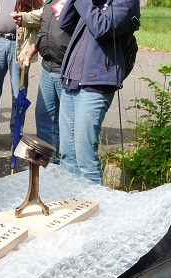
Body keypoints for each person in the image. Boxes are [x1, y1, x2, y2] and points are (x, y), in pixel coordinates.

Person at [57, 0, 140, 184]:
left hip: (96, 86)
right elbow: (65, 23)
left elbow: (102, 27)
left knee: (85, 158)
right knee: (68, 156)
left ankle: (94, 201)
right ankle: (70, 199)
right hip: (72, 81)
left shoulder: (126, 3)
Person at [0, 0, 41, 145]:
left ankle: (16, 135)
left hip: (19, 44)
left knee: (18, 95)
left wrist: (26, 18)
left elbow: (43, 13)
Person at [18, 0, 71, 162]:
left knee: (69, 126)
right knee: (44, 119)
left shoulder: (76, 3)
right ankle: (48, 167)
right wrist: (29, 53)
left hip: (68, 72)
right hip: (47, 68)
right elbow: (43, 32)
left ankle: (68, 169)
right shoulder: (49, 3)